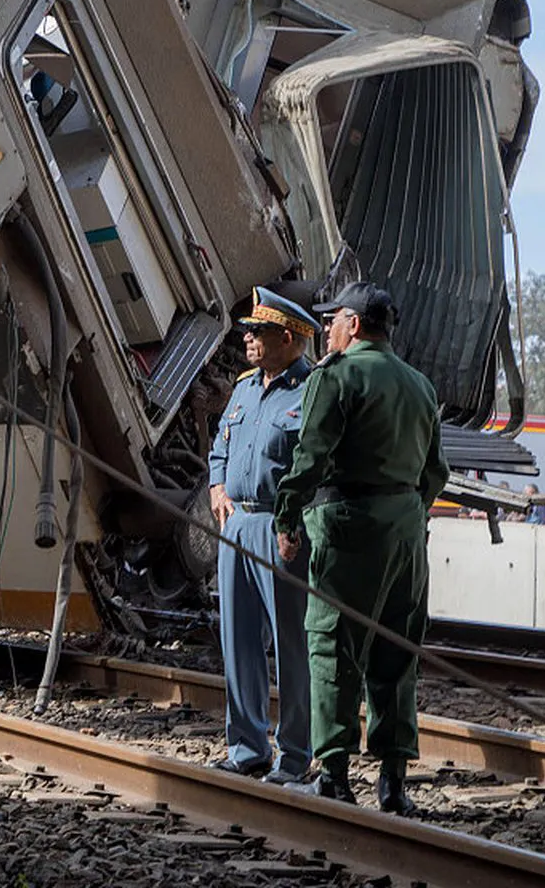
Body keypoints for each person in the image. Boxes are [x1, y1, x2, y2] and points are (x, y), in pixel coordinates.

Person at [274, 282, 449, 816]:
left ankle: (333, 777)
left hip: (349, 527)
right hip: (406, 533)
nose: (326, 329)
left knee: (332, 645)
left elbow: (310, 457)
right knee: (397, 654)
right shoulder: (420, 385)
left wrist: (288, 516)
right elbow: (435, 473)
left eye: (332, 320)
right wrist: (407, 513)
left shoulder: (337, 375)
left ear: (352, 324)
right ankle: (393, 784)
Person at [207, 287, 317, 785]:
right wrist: (215, 486)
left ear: (288, 338)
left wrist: (293, 523)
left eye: (258, 332)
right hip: (237, 527)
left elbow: (317, 464)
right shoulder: (246, 387)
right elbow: (219, 449)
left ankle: (294, 756)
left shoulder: (309, 391)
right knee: (239, 641)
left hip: (280, 528)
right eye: (248, 331)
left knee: (291, 646)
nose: (248, 338)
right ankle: (248, 747)